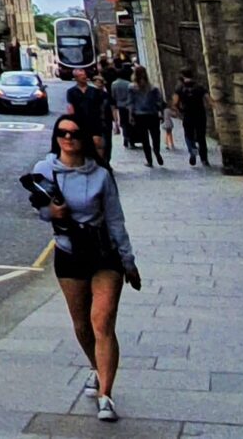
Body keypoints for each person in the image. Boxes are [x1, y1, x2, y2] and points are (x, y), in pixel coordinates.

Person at [34, 115, 140, 422]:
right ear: (56, 138)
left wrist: (128, 262)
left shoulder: (101, 175)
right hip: (69, 254)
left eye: (74, 133)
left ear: (84, 139)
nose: (68, 138)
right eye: (62, 133)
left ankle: (106, 395)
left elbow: (116, 219)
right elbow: (40, 209)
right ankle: (97, 366)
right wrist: (50, 211)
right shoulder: (44, 170)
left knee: (102, 322)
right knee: (81, 324)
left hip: (104, 254)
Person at [66, 66, 114, 165]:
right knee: (82, 146)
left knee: (98, 145)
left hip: (95, 123)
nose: (84, 78)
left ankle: (101, 164)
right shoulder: (71, 92)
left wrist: (105, 121)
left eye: (85, 76)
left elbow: (102, 107)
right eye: (81, 76)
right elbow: (71, 108)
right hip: (81, 123)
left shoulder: (94, 91)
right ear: (76, 78)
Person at [127, 66, 166, 168]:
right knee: (155, 135)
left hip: (139, 116)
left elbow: (131, 103)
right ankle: (156, 151)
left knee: (144, 139)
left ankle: (149, 160)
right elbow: (159, 101)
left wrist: (130, 115)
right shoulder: (153, 88)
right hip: (152, 115)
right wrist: (161, 112)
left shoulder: (132, 88)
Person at [174, 69, 210, 167]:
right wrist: (207, 108)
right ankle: (204, 159)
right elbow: (208, 100)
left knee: (188, 135)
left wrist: (180, 111)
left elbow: (175, 103)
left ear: (182, 76)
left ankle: (193, 151)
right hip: (200, 114)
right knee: (201, 137)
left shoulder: (180, 88)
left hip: (188, 114)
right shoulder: (199, 87)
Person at [108, 67, 134, 147]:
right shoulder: (128, 84)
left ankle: (125, 137)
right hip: (128, 105)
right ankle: (130, 139)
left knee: (123, 123)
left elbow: (113, 96)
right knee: (130, 123)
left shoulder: (114, 84)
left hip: (120, 106)